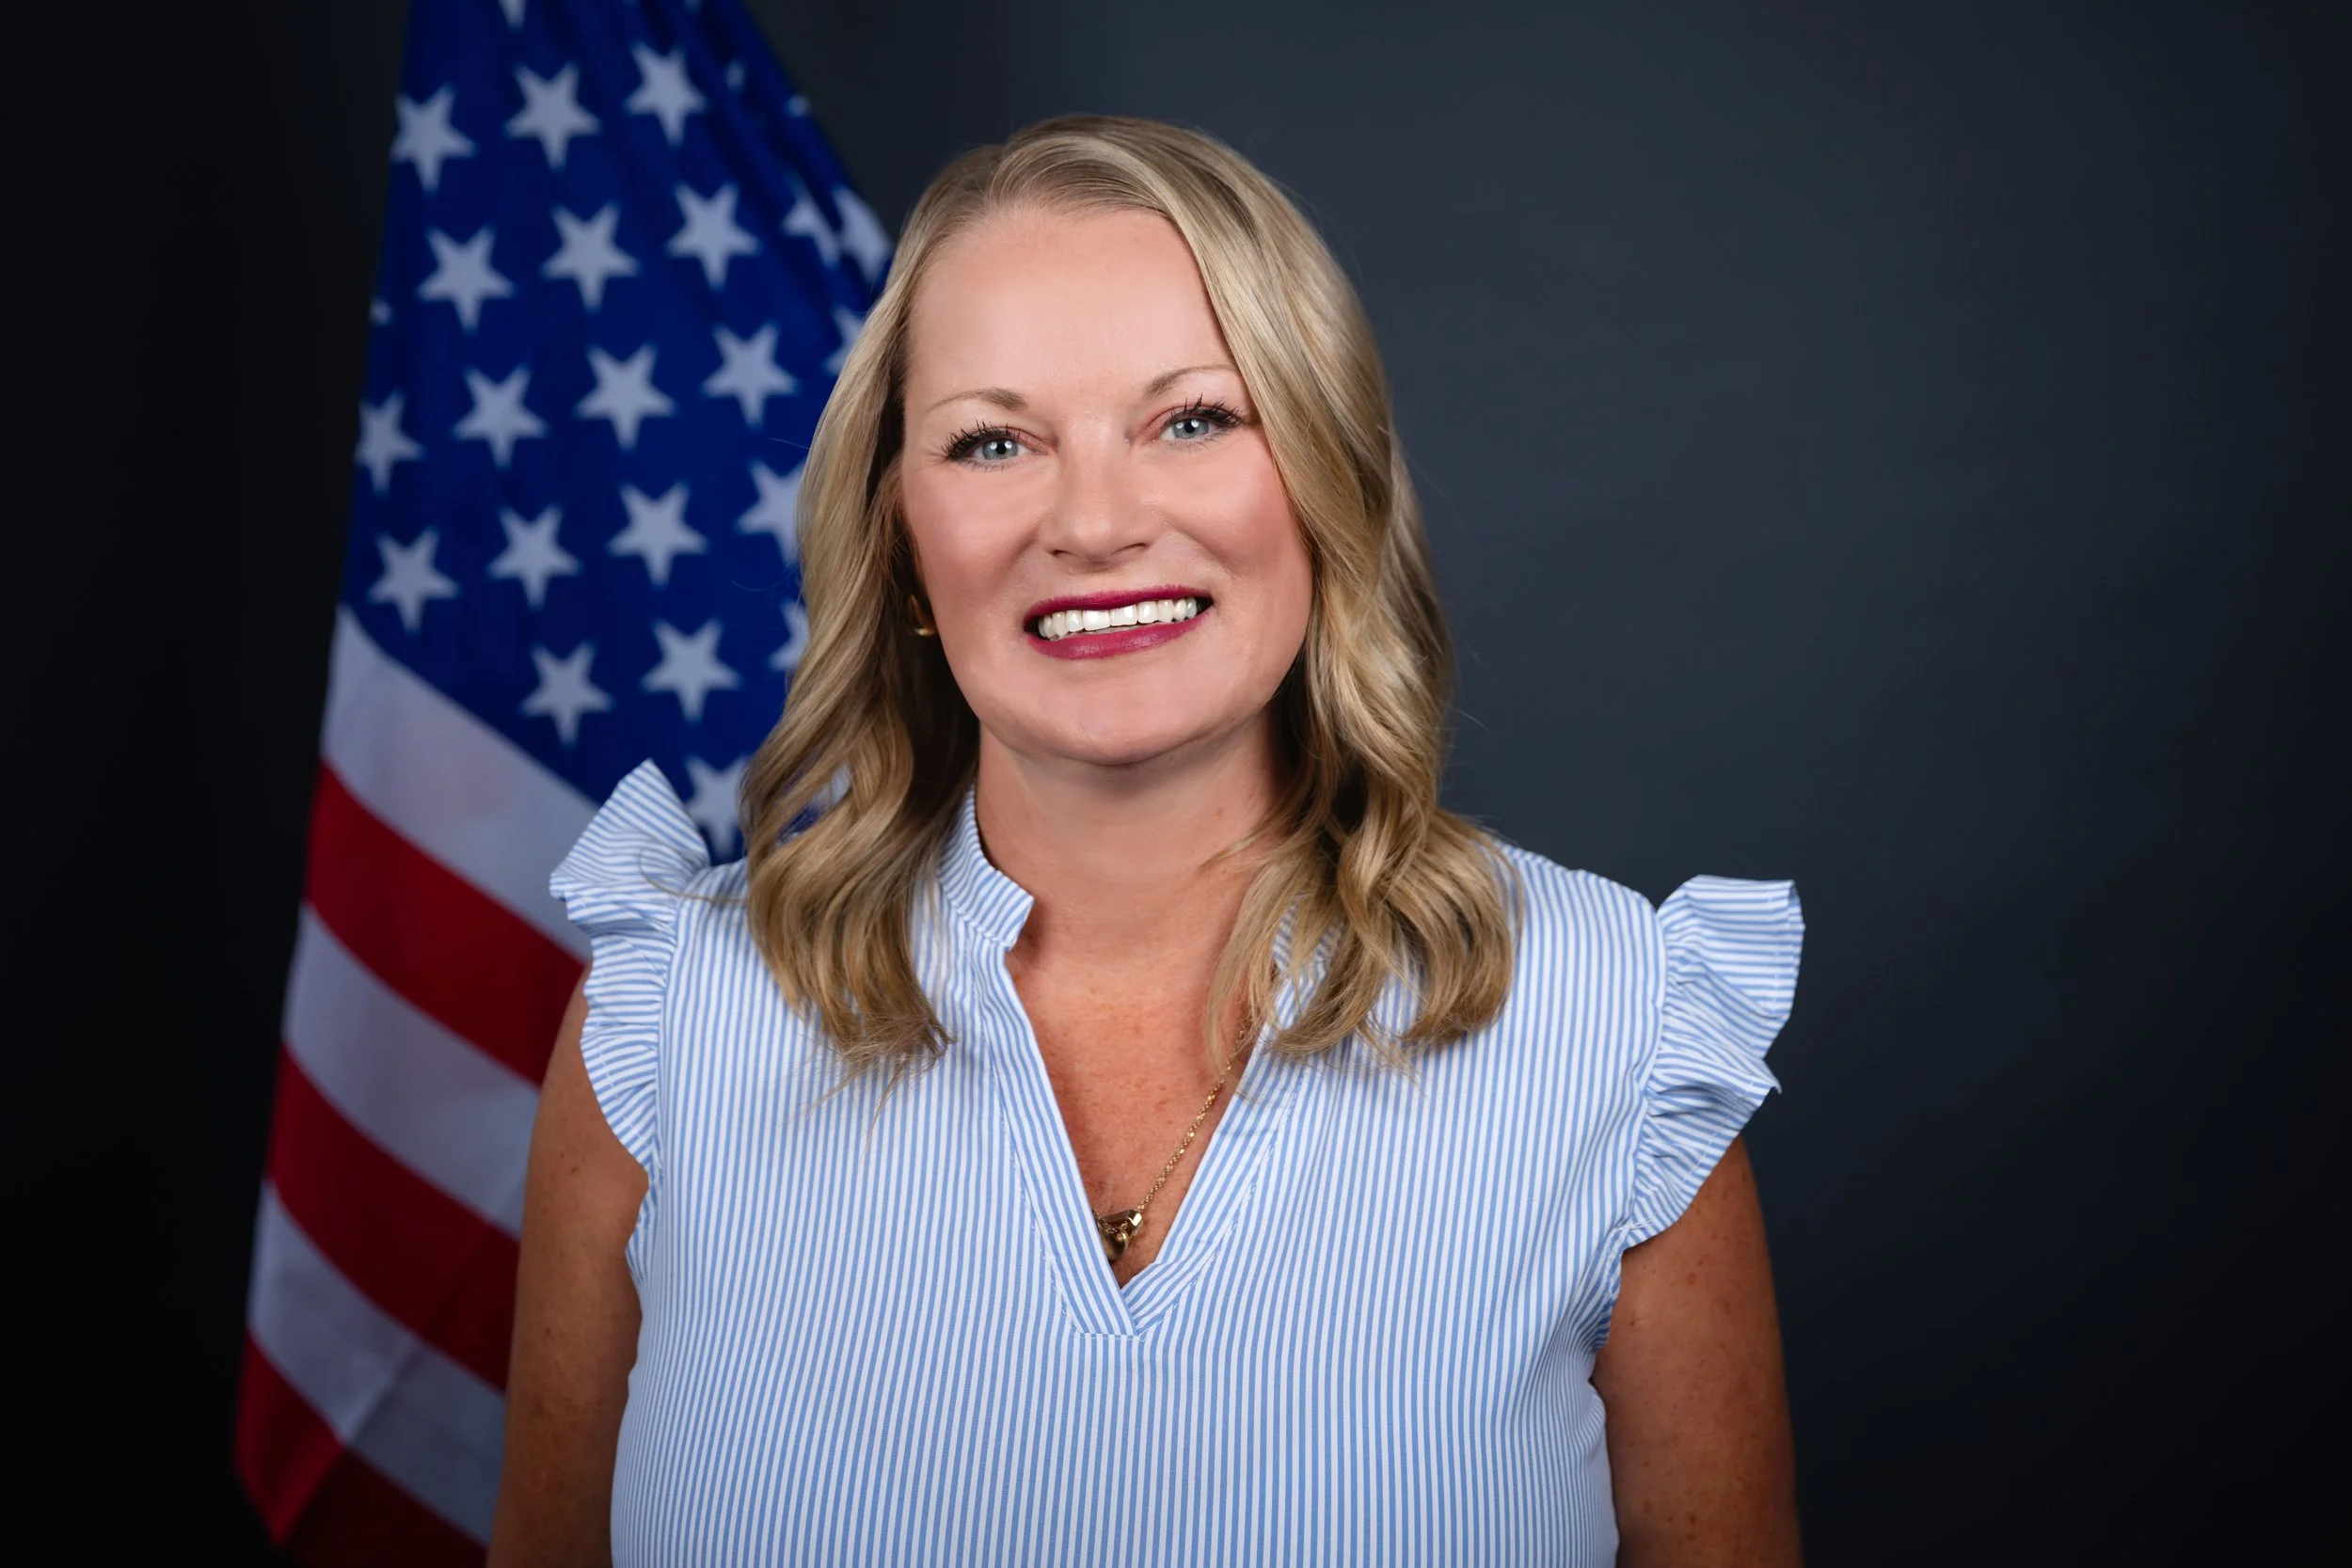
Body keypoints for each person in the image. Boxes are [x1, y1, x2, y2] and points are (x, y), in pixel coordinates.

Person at [491, 115, 1805, 1567]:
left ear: (1321, 476)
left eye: (1192, 418)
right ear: (904, 540)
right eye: (995, 440)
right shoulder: (674, 1016)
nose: (1097, 520)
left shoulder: (1616, 1022)